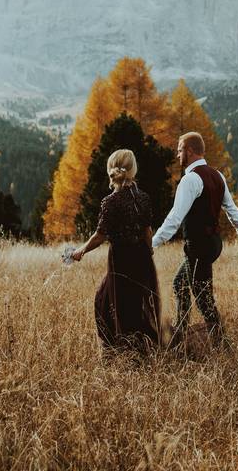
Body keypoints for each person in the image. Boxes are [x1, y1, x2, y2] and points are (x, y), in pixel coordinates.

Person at [152, 131, 238, 345]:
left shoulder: (190, 180)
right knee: (180, 283)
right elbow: (231, 208)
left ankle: (222, 342)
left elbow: (174, 219)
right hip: (214, 243)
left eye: (179, 150)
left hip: (199, 246)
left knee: (203, 296)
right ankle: (181, 331)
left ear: (189, 151)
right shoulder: (217, 175)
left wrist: (152, 243)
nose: (178, 155)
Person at [71, 149, 160, 353]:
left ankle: (119, 350)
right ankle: (137, 348)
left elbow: (100, 235)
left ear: (112, 170)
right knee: (136, 303)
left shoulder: (110, 201)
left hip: (121, 259)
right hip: (142, 256)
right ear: (133, 169)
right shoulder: (144, 198)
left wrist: (81, 251)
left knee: (108, 302)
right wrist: (150, 252)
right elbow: (148, 231)